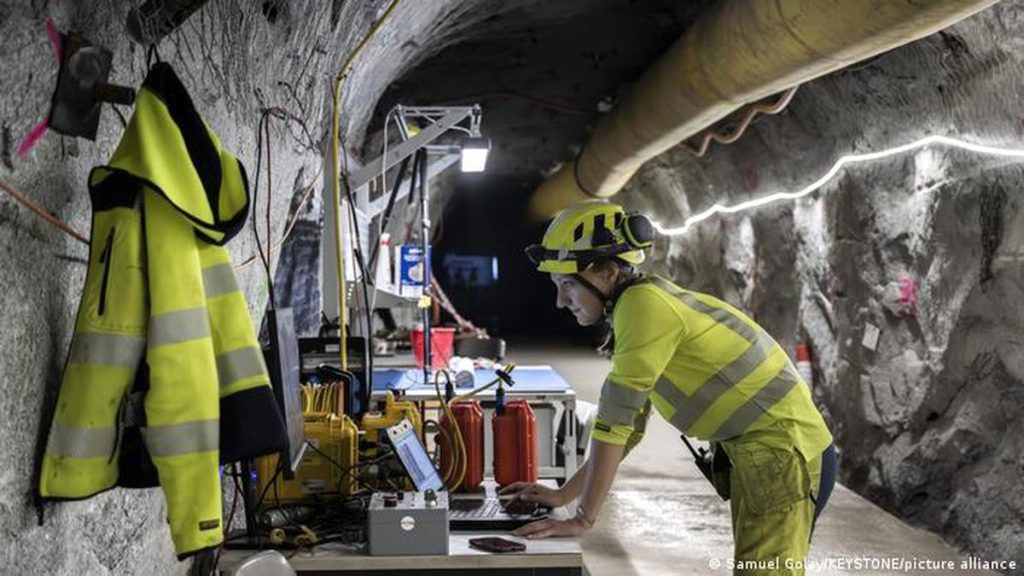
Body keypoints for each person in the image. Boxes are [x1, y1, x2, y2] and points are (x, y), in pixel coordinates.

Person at [507, 200, 837, 575]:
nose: (561, 301)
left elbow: (614, 427)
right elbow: (626, 430)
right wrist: (564, 495)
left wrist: (582, 519)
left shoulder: (642, 307)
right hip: (767, 452)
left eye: (567, 285)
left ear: (608, 271)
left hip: (784, 452)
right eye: (556, 286)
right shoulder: (638, 304)